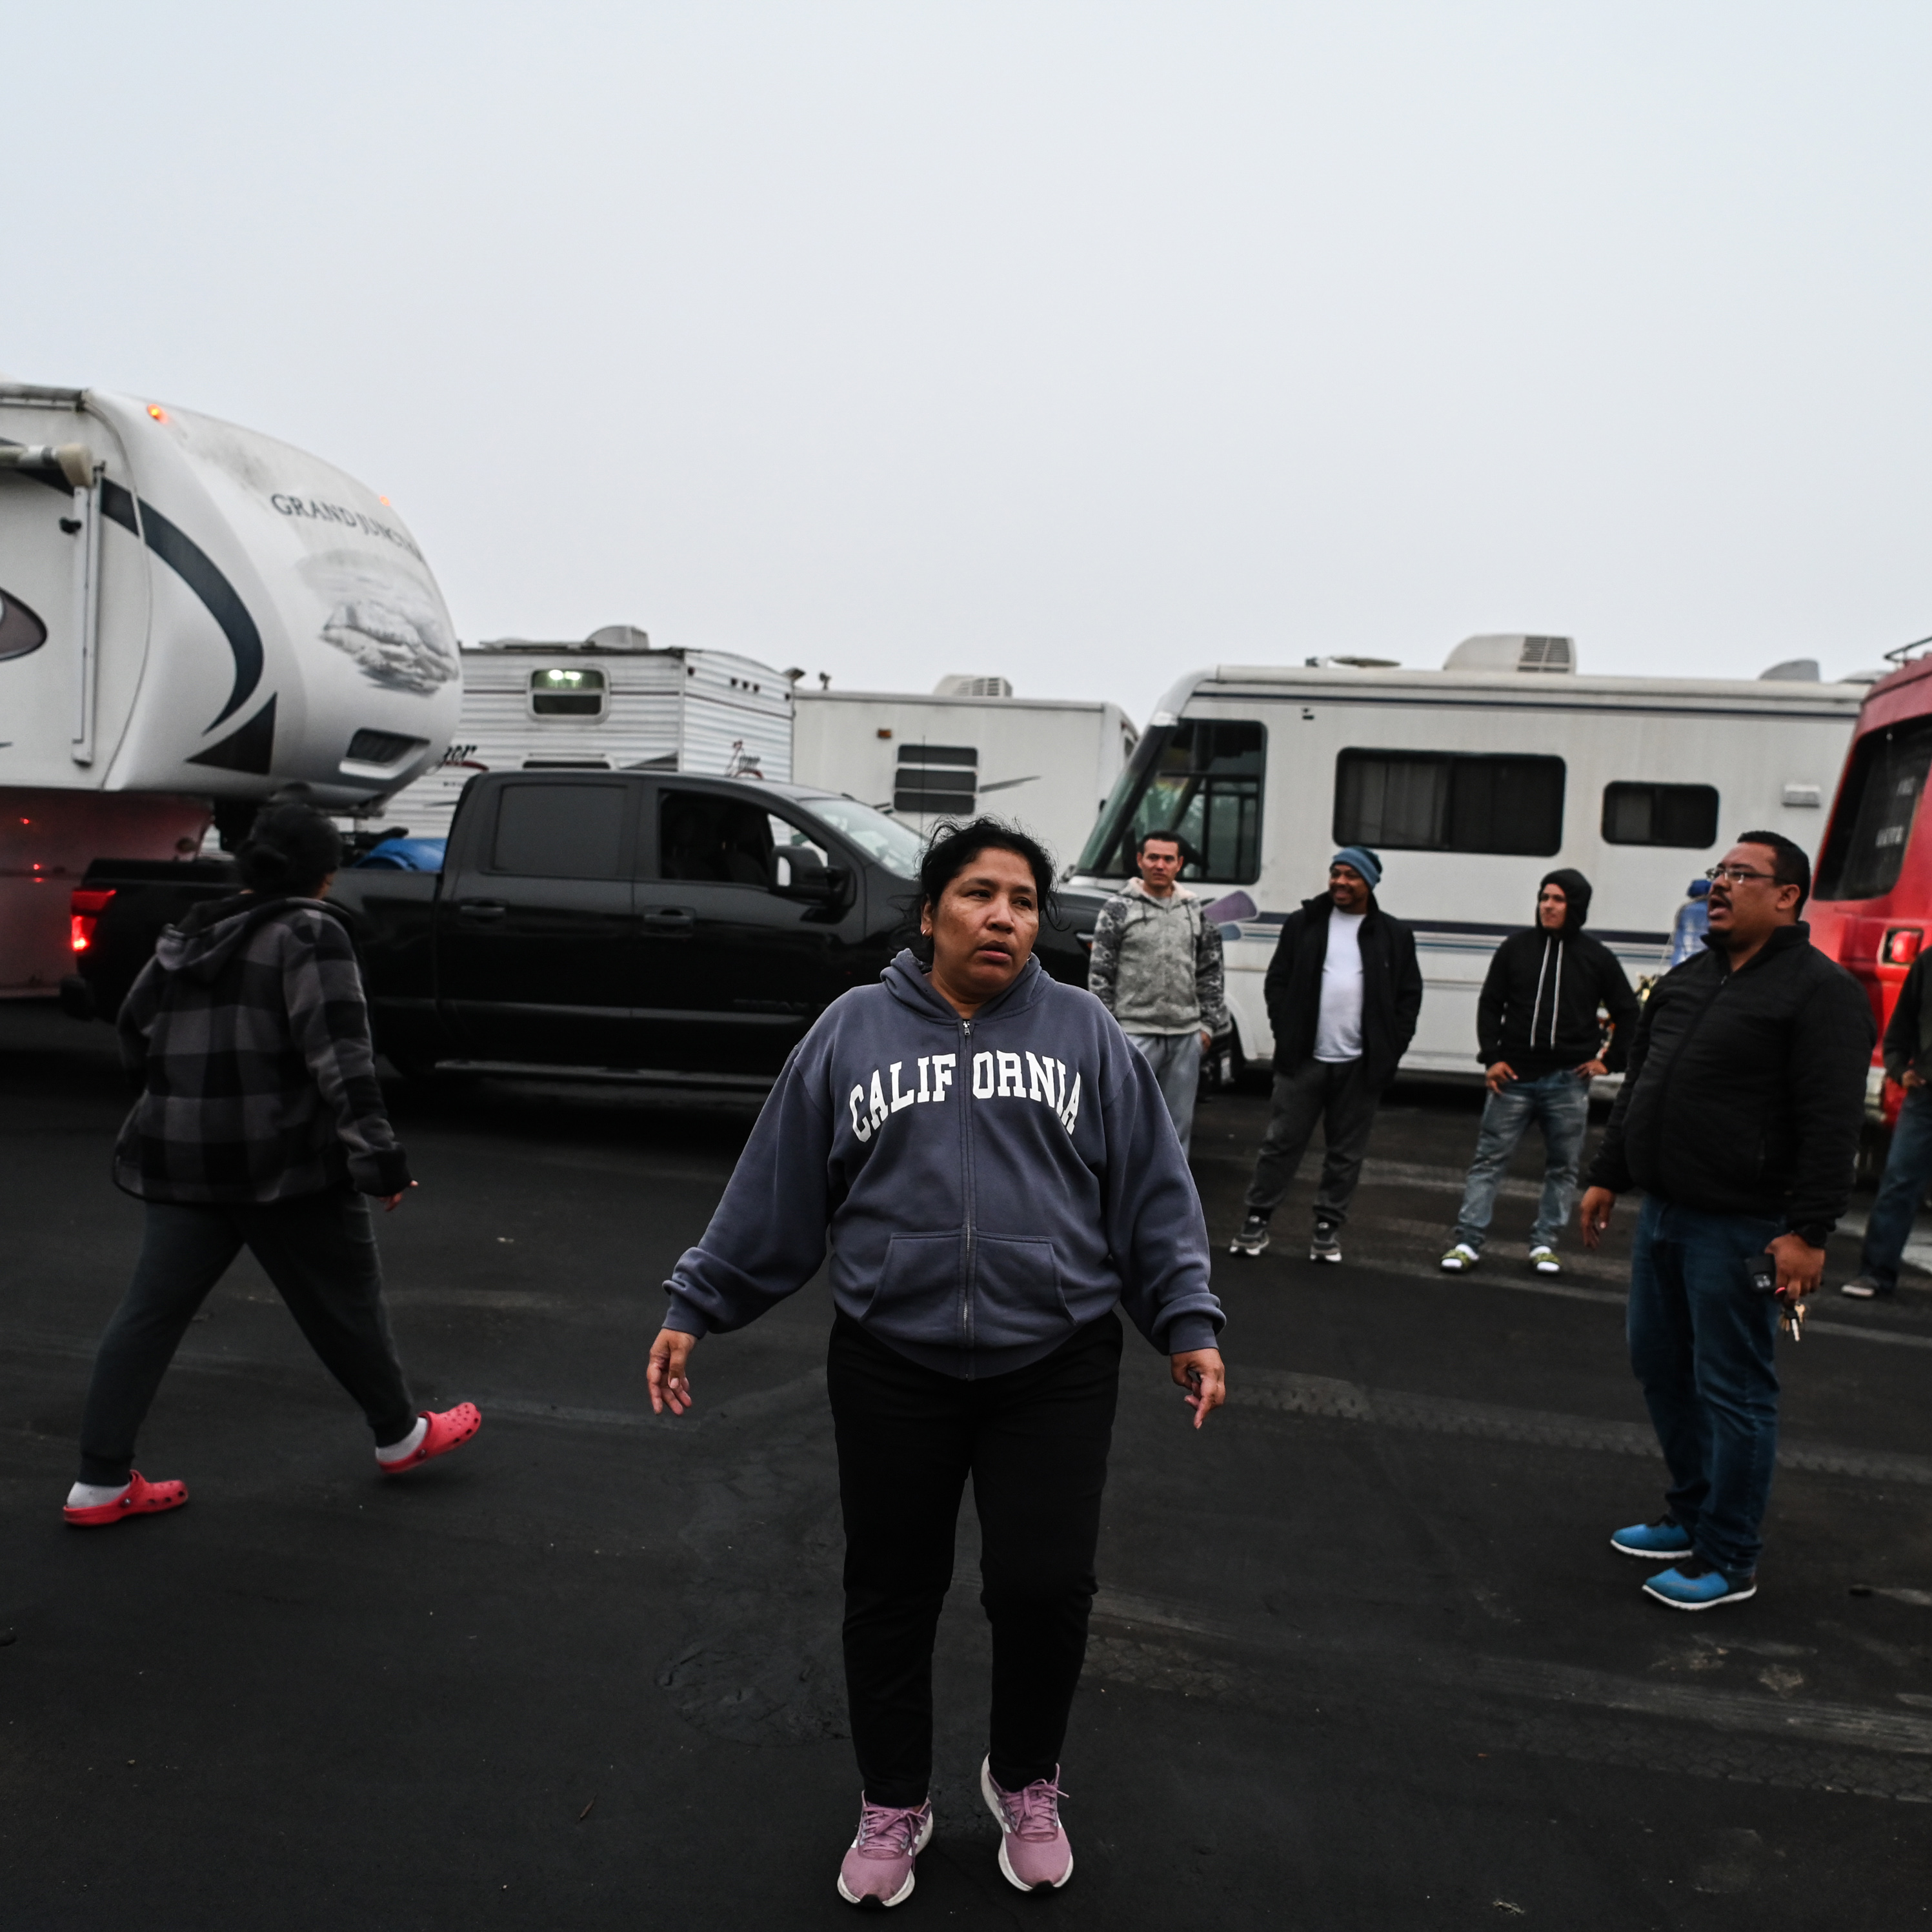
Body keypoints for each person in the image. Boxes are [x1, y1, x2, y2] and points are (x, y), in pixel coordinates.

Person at [645, 817, 1225, 1908]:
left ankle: (1022, 1778)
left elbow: (1151, 1190)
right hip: (891, 1359)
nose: (1002, 914)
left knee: (1042, 1585)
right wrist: (698, 1296)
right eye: (977, 893)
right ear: (929, 912)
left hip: (1052, 1359)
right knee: (891, 1586)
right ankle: (892, 1797)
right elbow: (775, 1184)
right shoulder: (851, 1028)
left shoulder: (1085, 1033)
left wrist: (1186, 1318)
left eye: (1021, 899)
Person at [63, 804, 479, 1528]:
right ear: (325, 873)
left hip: (183, 1159)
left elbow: (134, 1028)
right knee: (344, 1302)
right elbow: (341, 1054)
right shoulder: (311, 931)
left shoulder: (191, 931)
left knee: (149, 1315)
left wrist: (173, 1103)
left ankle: (98, 1485)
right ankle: (398, 1435)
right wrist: (378, 1158)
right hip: (284, 1162)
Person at [1578, 833, 1871, 1611]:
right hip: (1667, 1216)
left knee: (1735, 1389)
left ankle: (1729, 1556)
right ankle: (1691, 1513)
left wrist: (1809, 1233)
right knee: (1660, 1365)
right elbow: (1641, 1085)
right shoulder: (1684, 981)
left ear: (1788, 897)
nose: (1721, 885)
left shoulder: (1821, 994)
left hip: (1746, 1229)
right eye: (1718, 873)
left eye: (1743, 875)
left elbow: (1831, 1122)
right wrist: (1608, 1175)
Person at [1440, 869, 1638, 1276]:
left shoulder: (1596, 957)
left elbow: (1628, 1012)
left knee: (1562, 1167)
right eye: (1544, 897)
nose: (1548, 905)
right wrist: (1491, 1057)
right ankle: (1467, 1242)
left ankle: (1544, 1245)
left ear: (1576, 907)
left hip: (1568, 1082)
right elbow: (1490, 1003)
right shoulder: (1515, 949)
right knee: (1488, 1161)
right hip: (1513, 1078)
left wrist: (1610, 1060)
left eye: (1559, 900)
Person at [1228, 845, 1422, 1262]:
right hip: (1303, 1060)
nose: (1340, 882)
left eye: (1351, 875)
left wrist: (1390, 1048)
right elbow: (1277, 982)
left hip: (1361, 1066)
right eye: (1336, 873)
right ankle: (1257, 1219)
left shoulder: (1393, 935)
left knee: (1346, 1153)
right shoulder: (1305, 925)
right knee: (1280, 1143)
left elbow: (1409, 998)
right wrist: (1287, 1030)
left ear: (1369, 882)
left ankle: (1327, 1227)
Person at [1085, 828, 1227, 1156]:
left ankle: (1173, 1202)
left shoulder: (1195, 911)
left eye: (1168, 859)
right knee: (1126, 1126)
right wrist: (1113, 1031)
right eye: (1153, 857)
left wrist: (1206, 1028)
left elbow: (1211, 971)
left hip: (1185, 1037)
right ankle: (1126, 1200)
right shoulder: (1118, 909)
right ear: (1140, 860)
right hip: (1134, 1036)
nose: (1160, 865)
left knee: (1178, 1130)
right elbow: (1100, 973)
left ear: (1179, 864)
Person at [1841, 947, 1932, 1300]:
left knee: (1899, 1184)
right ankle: (1875, 1275)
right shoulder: (1928, 963)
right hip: (1925, 1097)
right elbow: (1901, 1027)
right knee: (1899, 1183)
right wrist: (1897, 1066)